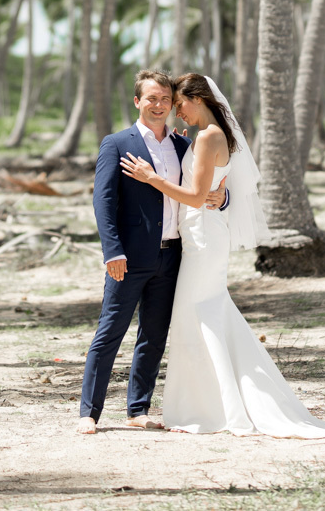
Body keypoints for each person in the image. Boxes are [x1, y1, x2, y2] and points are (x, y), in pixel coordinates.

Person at [120, 72, 325, 438]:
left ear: (198, 99)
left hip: (203, 239)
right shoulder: (205, 136)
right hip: (199, 236)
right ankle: (208, 403)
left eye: (179, 105)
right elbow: (209, 191)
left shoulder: (210, 137)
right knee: (202, 314)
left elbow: (193, 196)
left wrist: (150, 177)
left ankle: (216, 409)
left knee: (200, 313)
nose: (176, 113)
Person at [78, 70, 228, 434]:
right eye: (152, 99)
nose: (160, 106)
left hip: (174, 256)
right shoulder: (116, 143)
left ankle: (137, 408)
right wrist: (112, 251)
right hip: (128, 258)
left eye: (166, 100)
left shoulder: (183, 145)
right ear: (137, 102)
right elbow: (104, 202)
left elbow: (208, 185)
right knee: (110, 331)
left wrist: (224, 199)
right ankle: (89, 412)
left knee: (154, 334)